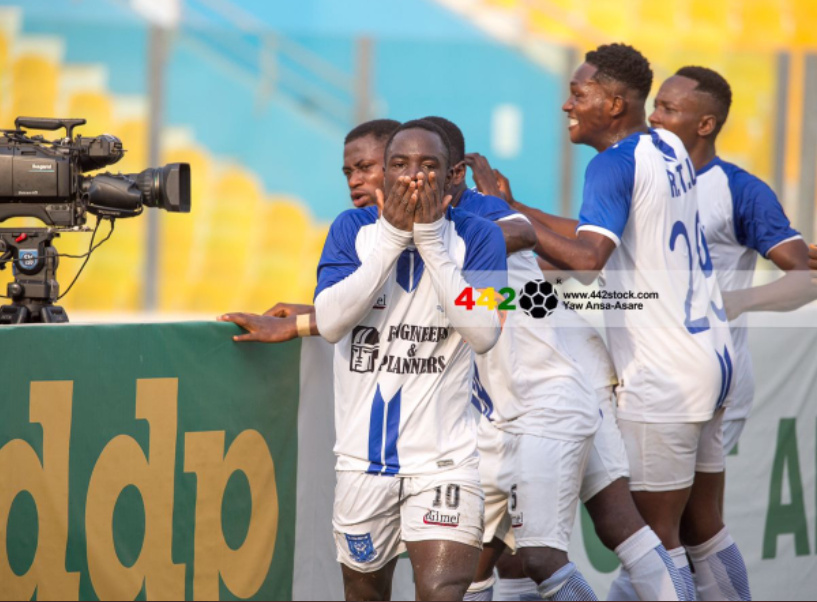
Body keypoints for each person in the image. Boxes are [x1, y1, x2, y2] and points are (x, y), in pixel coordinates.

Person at [516, 43, 733, 600]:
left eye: (579, 93)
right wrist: (522, 209)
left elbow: (588, 263)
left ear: (613, 104)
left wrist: (518, 227)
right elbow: (601, 234)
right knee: (702, 532)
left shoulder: (610, 164)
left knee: (653, 543)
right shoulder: (667, 145)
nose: (568, 104)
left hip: (663, 374)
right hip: (713, 356)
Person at [440, 121, 685, 601]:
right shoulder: (456, 225)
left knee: (535, 554)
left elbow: (555, 254)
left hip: (549, 394)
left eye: (373, 167)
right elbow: (529, 281)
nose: (376, 181)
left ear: (452, 175)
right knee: (497, 556)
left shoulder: (474, 222)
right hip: (552, 382)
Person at [314, 119, 508, 600]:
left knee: (443, 592)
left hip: (447, 463)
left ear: (452, 177)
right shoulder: (350, 231)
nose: (412, 177)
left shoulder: (482, 238)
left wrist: (431, 242)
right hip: (363, 463)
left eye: (428, 166)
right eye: (399, 165)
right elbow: (331, 323)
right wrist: (393, 239)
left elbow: (484, 334)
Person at [649, 65, 815, 601]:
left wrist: (730, 302)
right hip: (651, 375)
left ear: (705, 124)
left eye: (670, 110)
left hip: (711, 381)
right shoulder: (641, 177)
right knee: (682, 528)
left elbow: (804, 275)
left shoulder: (738, 190)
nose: (655, 117)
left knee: (656, 529)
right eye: (656, 105)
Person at [218, 119, 400, 340]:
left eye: (364, 168)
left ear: (399, 165)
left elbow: (444, 308)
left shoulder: (447, 228)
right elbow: (342, 311)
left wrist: (297, 325)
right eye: (347, 173)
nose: (353, 181)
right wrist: (315, 314)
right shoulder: (350, 225)